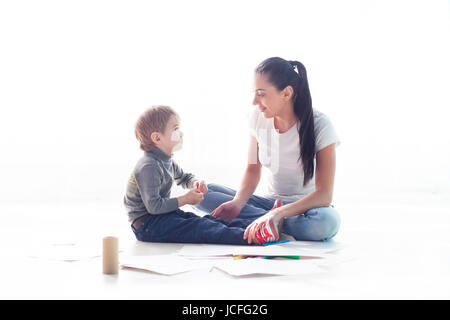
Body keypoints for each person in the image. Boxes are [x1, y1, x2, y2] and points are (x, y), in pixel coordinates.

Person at [195, 57, 341, 244]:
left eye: (261, 94)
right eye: (254, 93)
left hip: (307, 208)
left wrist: (279, 213)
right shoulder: (257, 118)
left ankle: (266, 222)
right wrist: (238, 202)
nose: (255, 101)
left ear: (286, 93)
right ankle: (269, 222)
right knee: (202, 194)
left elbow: (324, 195)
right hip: (268, 203)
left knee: (325, 223)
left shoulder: (320, 125)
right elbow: (252, 169)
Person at [123, 105, 278, 245]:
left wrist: (195, 183)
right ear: (157, 138)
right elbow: (154, 206)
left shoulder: (166, 160)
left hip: (160, 216)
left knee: (204, 220)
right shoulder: (148, 166)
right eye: (175, 129)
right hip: (147, 224)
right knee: (201, 228)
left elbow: (184, 177)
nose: (181, 133)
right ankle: (252, 237)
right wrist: (186, 199)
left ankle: (256, 226)